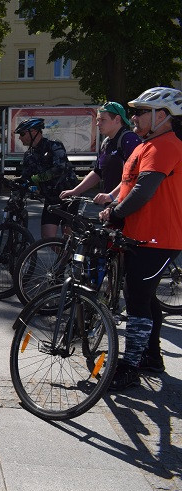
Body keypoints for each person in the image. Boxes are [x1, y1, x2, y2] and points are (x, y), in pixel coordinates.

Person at [99, 87, 182, 390]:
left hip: (158, 238)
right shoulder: (145, 146)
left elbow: (144, 191)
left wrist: (115, 213)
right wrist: (109, 203)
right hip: (139, 236)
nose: (133, 117)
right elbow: (126, 186)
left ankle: (130, 366)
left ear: (162, 116)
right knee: (144, 297)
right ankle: (151, 357)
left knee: (136, 300)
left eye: (140, 111)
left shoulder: (167, 146)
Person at [60, 102, 141, 203]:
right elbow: (98, 172)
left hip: (125, 204)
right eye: (98, 120)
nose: (98, 123)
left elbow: (134, 175)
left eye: (103, 120)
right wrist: (75, 191)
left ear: (117, 119)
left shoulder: (129, 139)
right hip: (110, 204)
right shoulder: (106, 142)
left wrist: (112, 196)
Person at [14, 117, 75, 239]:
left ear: (34, 132)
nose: (19, 138)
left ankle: (69, 258)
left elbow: (59, 168)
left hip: (68, 196)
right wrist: (17, 186)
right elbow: (26, 177)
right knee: (47, 237)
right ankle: (65, 258)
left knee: (68, 239)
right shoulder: (29, 155)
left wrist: (38, 178)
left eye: (22, 134)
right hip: (51, 199)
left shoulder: (54, 146)